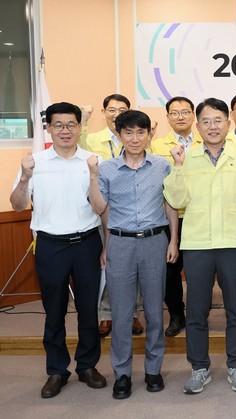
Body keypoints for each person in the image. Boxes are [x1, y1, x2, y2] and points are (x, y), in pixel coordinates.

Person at [10, 102, 107, 398]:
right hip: (51, 245)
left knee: (88, 309)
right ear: (49, 128)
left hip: (87, 243)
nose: (65, 130)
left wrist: (93, 176)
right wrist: (25, 177)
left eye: (71, 124)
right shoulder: (34, 162)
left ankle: (87, 365)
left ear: (80, 127)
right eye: (58, 125)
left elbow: (102, 208)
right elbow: (17, 205)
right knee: (54, 311)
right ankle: (56, 370)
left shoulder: (93, 161)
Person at [163, 98, 236, 394]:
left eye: (218, 120)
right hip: (198, 243)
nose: (212, 126)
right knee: (196, 311)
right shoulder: (185, 158)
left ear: (228, 124)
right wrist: (178, 168)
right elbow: (176, 200)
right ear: (197, 125)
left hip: (233, 242)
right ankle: (199, 367)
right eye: (206, 121)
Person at [87, 110, 179, 399]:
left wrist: (174, 241)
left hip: (154, 241)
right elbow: (99, 208)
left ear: (149, 134)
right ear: (119, 135)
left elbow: (171, 205)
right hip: (121, 243)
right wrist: (93, 176)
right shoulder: (107, 169)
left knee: (154, 311)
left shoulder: (162, 166)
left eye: (141, 132)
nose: (135, 138)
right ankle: (122, 374)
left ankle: (153, 370)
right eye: (128, 132)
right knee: (122, 313)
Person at [80, 93, 144, 337]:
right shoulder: (92, 139)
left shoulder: (135, 137)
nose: (117, 114)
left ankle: (134, 313)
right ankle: (105, 314)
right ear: (104, 112)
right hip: (102, 210)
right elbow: (81, 158)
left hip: (133, 210)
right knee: (108, 264)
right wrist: (83, 122)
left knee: (135, 265)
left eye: (122, 110)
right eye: (112, 110)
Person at [149, 96, 202, 337]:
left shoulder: (206, 141)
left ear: (193, 115)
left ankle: (198, 313)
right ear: (168, 117)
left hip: (198, 215)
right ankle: (176, 314)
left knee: (197, 269)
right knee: (170, 270)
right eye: (175, 113)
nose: (180, 117)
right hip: (169, 215)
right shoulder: (157, 146)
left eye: (185, 112)